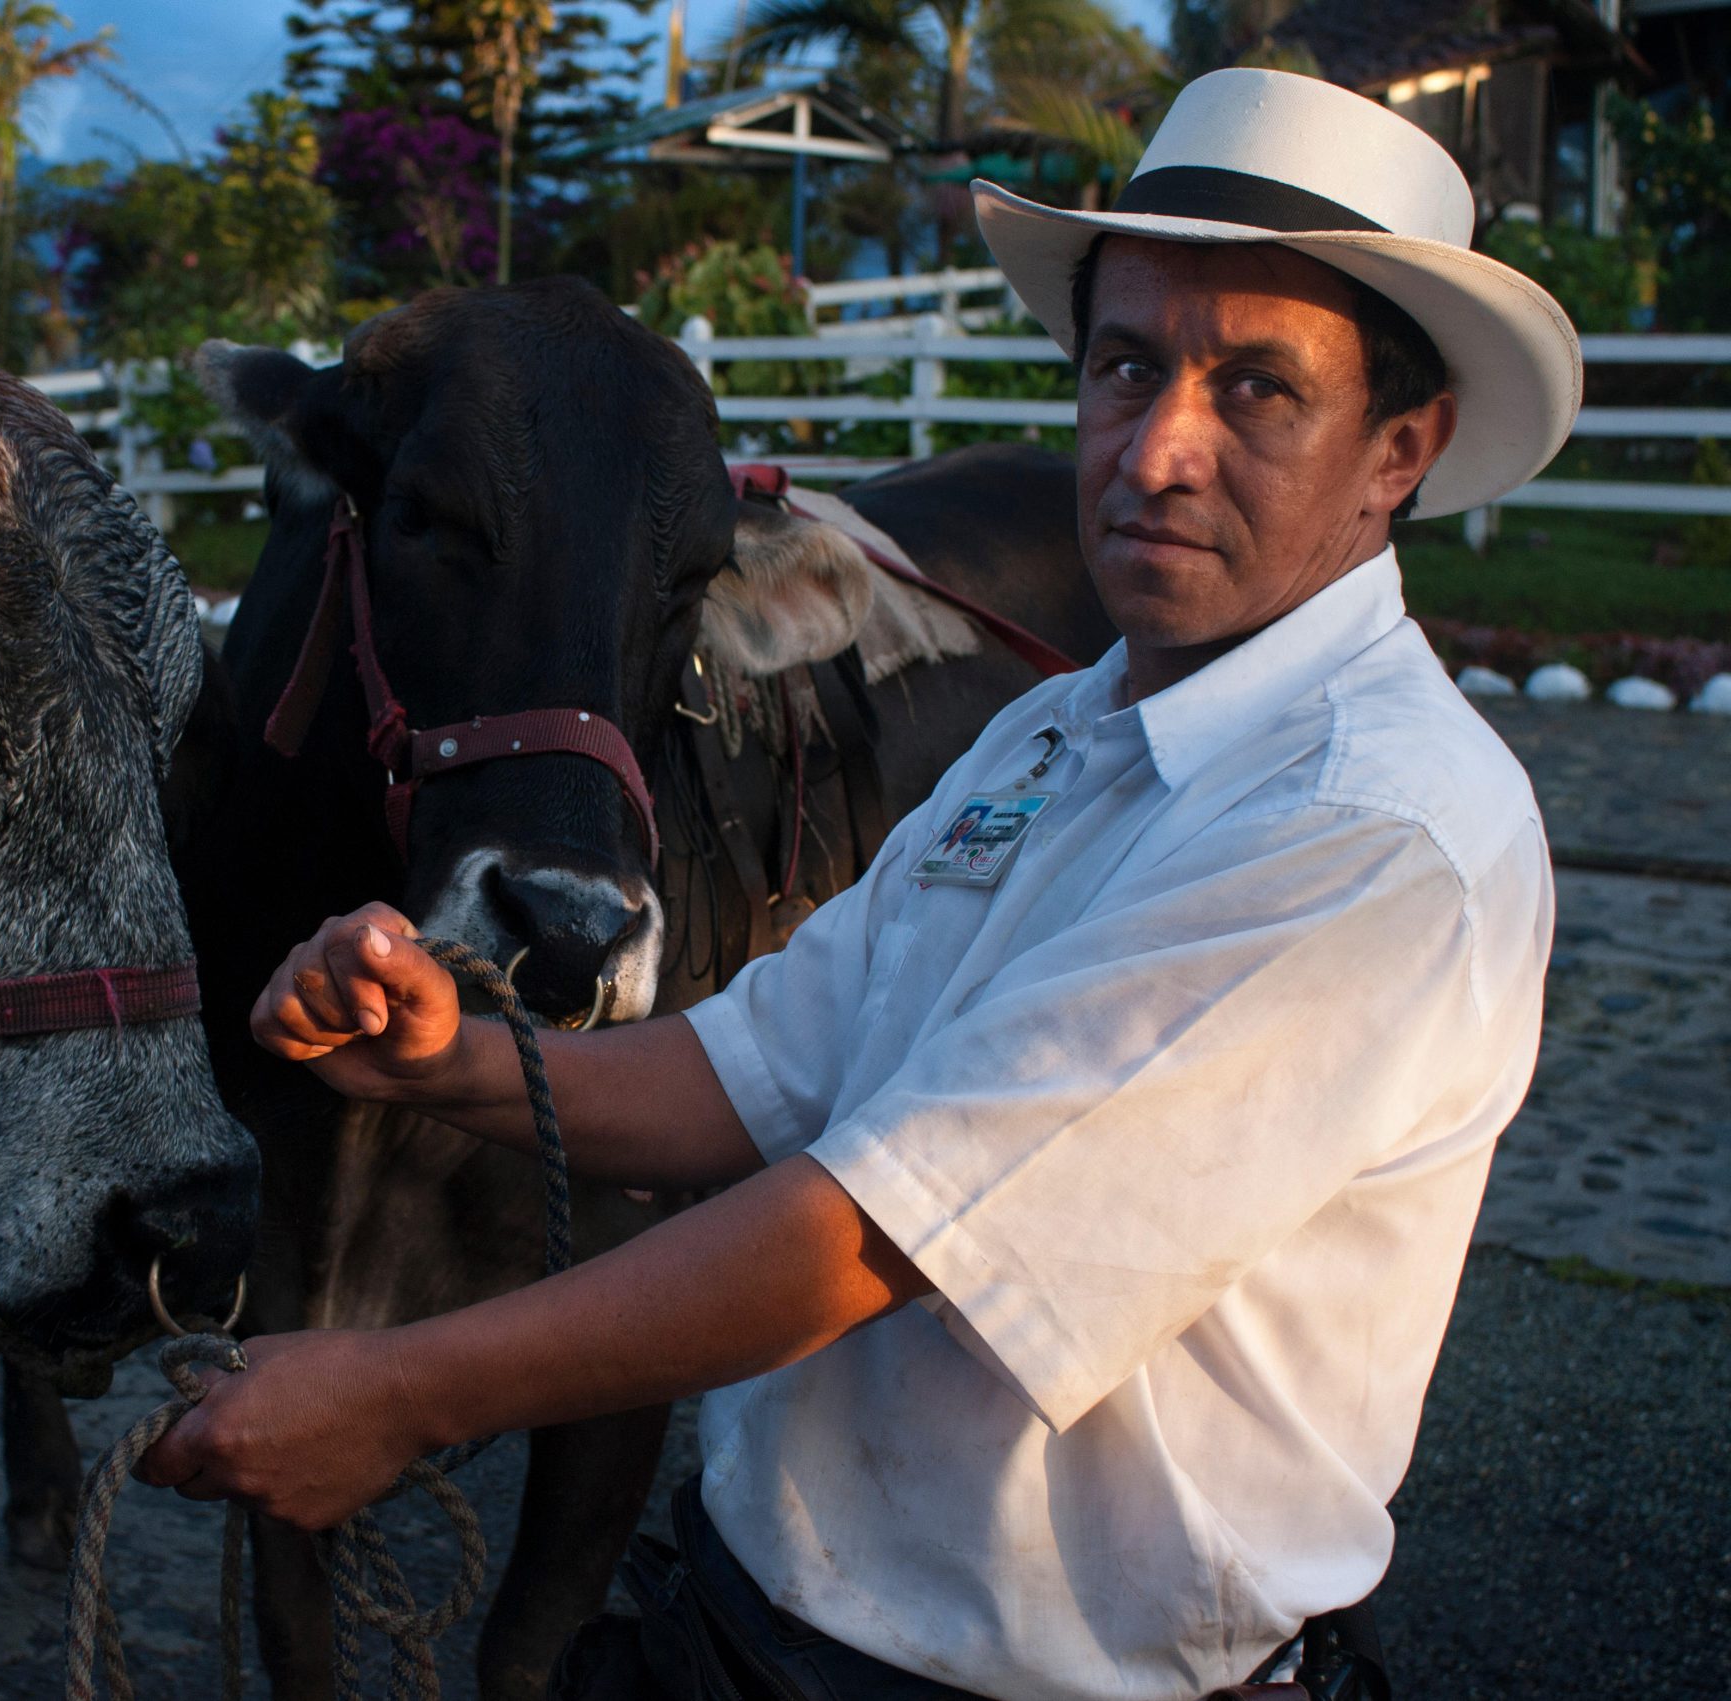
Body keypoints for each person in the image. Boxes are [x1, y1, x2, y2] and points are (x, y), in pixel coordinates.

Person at [136, 68, 1580, 1701]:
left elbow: (871, 1236)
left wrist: (398, 1393)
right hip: (754, 1621)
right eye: (1127, 365)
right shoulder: (1055, 730)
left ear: (1401, 449)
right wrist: (454, 1059)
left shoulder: (1374, 831)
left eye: (1256, 389)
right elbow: (758, 1067)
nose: (1157, 449)